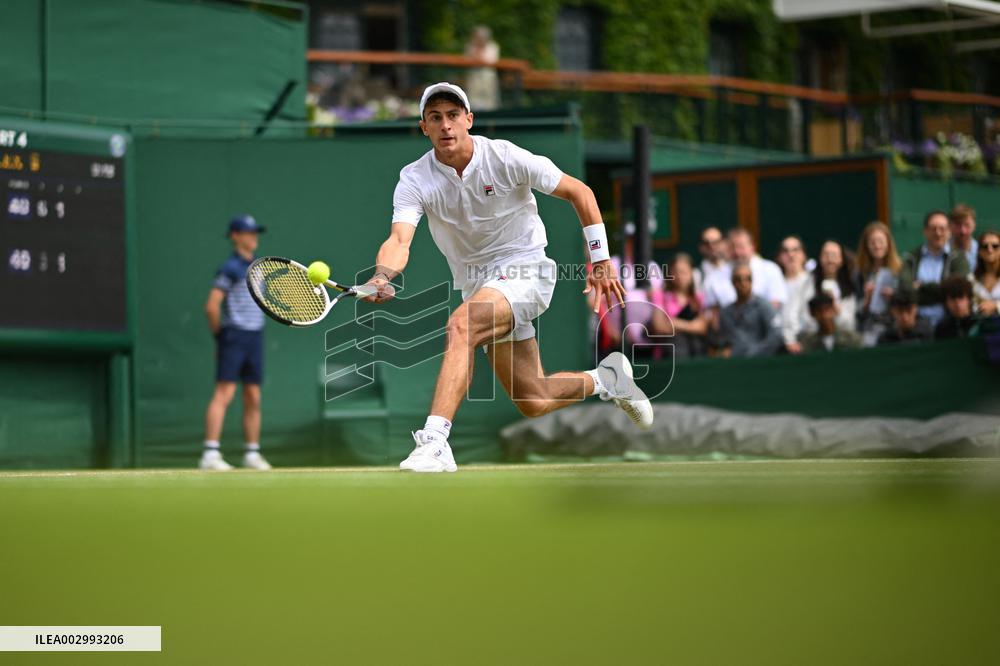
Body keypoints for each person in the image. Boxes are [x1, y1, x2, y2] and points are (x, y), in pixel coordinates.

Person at [365, 82, 653, 473]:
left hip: (525, 267)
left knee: (462, 325)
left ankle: (434, 441)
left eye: (453, 115)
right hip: (479, 283)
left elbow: (580, 192)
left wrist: (601, 259)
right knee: (533, 398)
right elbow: (400, 239)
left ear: (469, 119)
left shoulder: (504, 157)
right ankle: (608, 379)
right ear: (424, 127)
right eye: (435, 117)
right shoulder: (415, 179)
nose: (445, 125)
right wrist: (382, 275)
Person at [200, 215, 272, 471]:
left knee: (253, 395)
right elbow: (212, 306)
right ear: (235, 236)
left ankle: (252, 453)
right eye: (248, 232)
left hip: (255, 336)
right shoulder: (229, 268)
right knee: (225, 393)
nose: (254, 237)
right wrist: (221, 337)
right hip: (234, 336)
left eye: (255, 232)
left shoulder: (260, 268)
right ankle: (210, 453)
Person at [899, 210, 970, 327]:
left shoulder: (958, 257)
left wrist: (922, 287)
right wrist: (941, 288)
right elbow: (906, 289)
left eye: (942, 229)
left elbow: (957, 289)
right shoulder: (911, 258)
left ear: (949, 231)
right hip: (916, 322)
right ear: (925, 231)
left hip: (949, 321)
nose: (938, 233)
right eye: (933, 228)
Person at [702, 227, 786, 311]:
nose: (737, 252)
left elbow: (776, 303)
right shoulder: (715, 277)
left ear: (752, 246)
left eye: (741, 247)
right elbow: (712, 311)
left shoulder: (771, 270)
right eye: (732, 247)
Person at [716, 261, 783, 358]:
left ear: (752, 281)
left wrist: (754, 354)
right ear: (732, 282)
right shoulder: (725, 312)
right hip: (733, 363)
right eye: (738, 279)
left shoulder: (763, 306)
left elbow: (776, 336)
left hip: (759, 361)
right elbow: (723, 341)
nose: (743, 283)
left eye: (748, 279)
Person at [650, 253, 707, 358]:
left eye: (684, 272)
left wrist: (676, 324)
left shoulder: (699, 298)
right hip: (668, 355)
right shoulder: (660, 296)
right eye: (675, 272)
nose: (680, 276)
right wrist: (692, 326)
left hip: (696, 352)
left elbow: (702, 327)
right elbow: (659, 327)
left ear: (691, 273)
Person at [854, 221, 901, 346]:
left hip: (893, 326)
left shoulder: (899, 270)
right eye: (872, 242)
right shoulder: (860, 273)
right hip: (869, 327)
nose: (877, 246)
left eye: (880, 241)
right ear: (866, 246)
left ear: (888, 243)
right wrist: (866, 300)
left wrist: (894, 297)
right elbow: (856, 311)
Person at [811, 239, 858, 334]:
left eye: (834, 255)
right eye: (826, 255)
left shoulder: (850, 286)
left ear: (841, 260)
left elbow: (849, 324)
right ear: (820, 258)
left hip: (842, 336)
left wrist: (835, 306)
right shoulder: (809, 283)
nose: (830, 260)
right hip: (814, 335)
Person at [775, 235, 811, 354]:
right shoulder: (775, 284)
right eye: (785, 251)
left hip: (806, 342)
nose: (791, 255)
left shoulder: (812, 281)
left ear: (804, 255)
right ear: (779, 257)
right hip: (779, 345)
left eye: (796, 250)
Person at [464, 26, 500, 111]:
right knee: (472, 100)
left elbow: (488, 60)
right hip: (474, 79)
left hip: (488, 80)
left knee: (490, 103)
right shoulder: (470, 47)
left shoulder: (493, 47)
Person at [972, 229, 1000, 317]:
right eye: (985, 246)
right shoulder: (972, 279)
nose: (990, 250)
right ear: (979, 251)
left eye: (995, 246)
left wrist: (996, 306)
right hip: (981, 323)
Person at [695, 226, 729, 291]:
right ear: (700, 247)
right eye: (706, 243)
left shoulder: (734, 269)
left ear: (724, 244)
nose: (711, 246)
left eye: (716, 242)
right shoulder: (696, 275)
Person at [949, 203, 978, 272]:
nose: (963, 231)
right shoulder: (942, 250)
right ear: (950, 226)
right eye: (958, 225)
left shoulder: (982, 250)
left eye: (967, 225)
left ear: (974, 226)